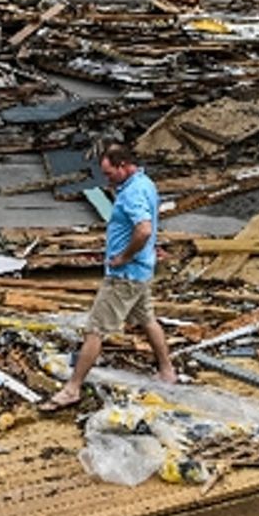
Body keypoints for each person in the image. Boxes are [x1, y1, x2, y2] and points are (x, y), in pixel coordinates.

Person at [42, 142, 176, 409]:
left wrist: (124, 256)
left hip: (124, 274)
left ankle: (73, 388)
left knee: (95, 330)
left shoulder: (132, 194)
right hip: (141, 270)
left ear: (124, 166)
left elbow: (144, 230)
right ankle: (167, 371)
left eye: (110, 173)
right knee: (147, 319)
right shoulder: (144, 183)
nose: (107, 178)